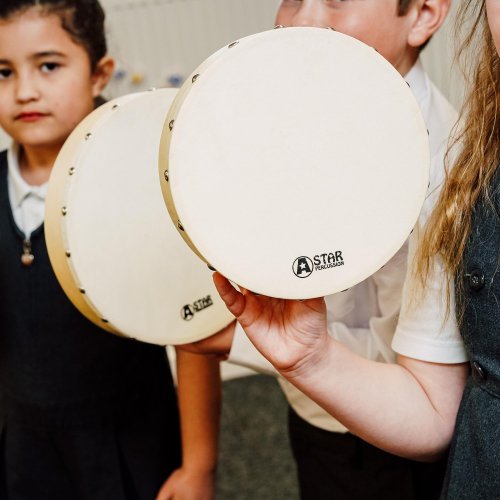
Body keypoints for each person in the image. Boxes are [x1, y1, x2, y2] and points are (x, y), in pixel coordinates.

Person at [211, 0, 500, 497]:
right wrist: (307, 359)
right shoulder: (278, 127)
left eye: (335, 0)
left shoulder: (447, 172)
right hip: (318, 412)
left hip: (396, 444)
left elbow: (419, 380)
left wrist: (239, 344)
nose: (300, 20)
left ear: (425, 14)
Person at [0, 1, 220, 499]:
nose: (25, 90)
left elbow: (194, 333)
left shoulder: (142, 186)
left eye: (49, 65)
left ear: (99, 73)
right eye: (3, 72)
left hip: (130, 447)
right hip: (25, 451)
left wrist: (199, 466)